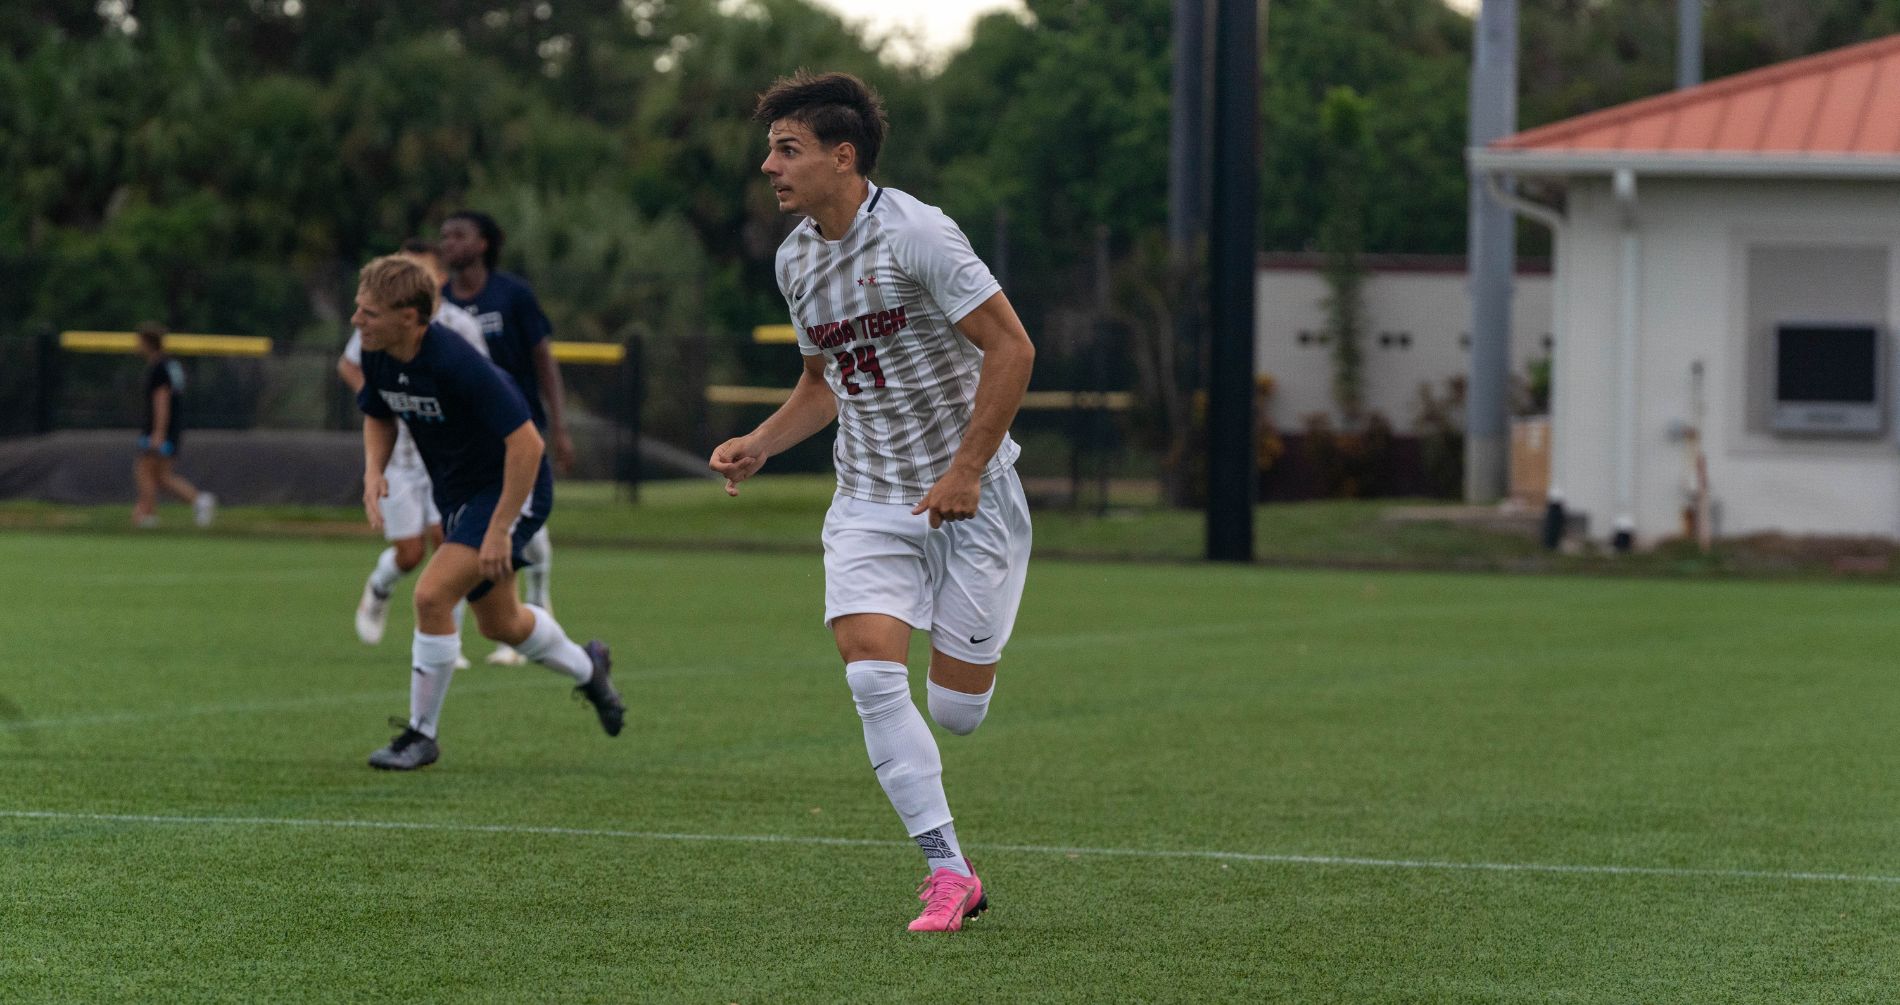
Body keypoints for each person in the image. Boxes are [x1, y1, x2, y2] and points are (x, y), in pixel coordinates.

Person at [709, 71, 1036, 933]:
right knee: (870, 676)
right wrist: (763, 441)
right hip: (868, 500)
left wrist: (966, 471)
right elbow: (822, 384)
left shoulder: (918, 234)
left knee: (957, 715)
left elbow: (1012, 349)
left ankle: (965, 681)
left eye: (788, 150)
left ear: (841, 156)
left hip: (973, 497)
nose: (770, 166)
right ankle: (947, 869)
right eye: (771, 149)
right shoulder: (795, 258)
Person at [352, 254, 624, 770]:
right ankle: (591, 669)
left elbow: (527, 446)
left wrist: (500, 529)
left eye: (368, 312)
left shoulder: (456, 361)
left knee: (432, 597)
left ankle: (420, 735)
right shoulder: (378, 351)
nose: (356, 321)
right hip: (459, 493)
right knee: (501, 624)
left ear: (409, 318)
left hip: (511, 490)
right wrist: (373, 471)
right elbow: (379, 412)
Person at [338, 241, 488, 656]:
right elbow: (350, 365)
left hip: (446, 457)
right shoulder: (377, 325)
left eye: (416, 270)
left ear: (437, 279)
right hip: (401, 457)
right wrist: (382, 398)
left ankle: (449, 642)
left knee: (448, 543)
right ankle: (380, 585)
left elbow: (483, 386)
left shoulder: (461, 328)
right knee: (408, 553)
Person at [439, 210, 569, 666]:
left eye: (459, 235)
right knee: (462, 528)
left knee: (515, 531)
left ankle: (532, 609)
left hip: (519, 431)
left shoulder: (512, 294)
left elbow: (542, 360)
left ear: (483, 244)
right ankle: (450, 629)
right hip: (467, 439)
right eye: (444, 236)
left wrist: (561, 425)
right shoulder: (437, 301)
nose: (449, 243)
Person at [132, 322, 216, 529]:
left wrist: (158, 433)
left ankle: (148, 515)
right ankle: (198, 501)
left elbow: (162, 400)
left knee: (144, 470)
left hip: (161, 429)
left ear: (148, 343)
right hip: (172, 428)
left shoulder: (159, 368)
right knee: (161, 476)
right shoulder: (171, 364)